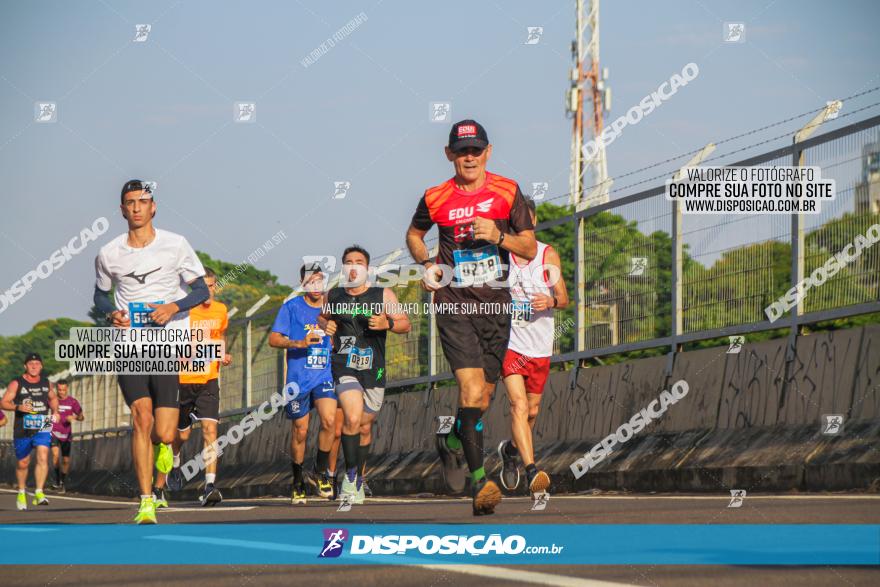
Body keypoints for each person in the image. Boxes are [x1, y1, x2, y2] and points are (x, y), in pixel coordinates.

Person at [405, 119, 536, 515]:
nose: (469, 157)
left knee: (486, 396)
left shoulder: (506, 191)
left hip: (496, 305)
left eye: (476, 150)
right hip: (453, 302)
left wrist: (497, 237)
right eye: (462, 151)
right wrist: (427, 263)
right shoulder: (434, 196)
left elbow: (528, 248)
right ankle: (480, 485)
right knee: (472, 392)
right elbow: (413, 234)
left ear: (488, 152)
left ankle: (453, 440)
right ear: (449, 155)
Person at [93, 179, 209, 524]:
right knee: (141, 418)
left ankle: (165, 454)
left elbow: (201, 290)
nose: (136, 208)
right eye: (130, 202)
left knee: (166, 432)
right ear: (122, 209)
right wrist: (110, 312)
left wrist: (174, 307)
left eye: (142, 201)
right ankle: (145, 499)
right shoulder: (108, 253)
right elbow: (100, 295)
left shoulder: (176, 245)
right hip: (130, 346)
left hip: (167, 344)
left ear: (153, 206)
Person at [322, 245, 411, 504]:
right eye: (348, 262)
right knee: (351, 416)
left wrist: (388, 323)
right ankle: (350, 477)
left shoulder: (383, 294)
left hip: (374, 368)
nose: (353, 266)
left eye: (358, 262)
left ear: (367, 269)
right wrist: (325, 324)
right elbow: (322, 317)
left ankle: (360, 476)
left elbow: (406, 324)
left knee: (363, 426)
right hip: (344, 363)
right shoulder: (334, 295)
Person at [497, 196, 568, 498]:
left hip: (539, 347)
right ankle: (531, 470)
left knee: (532, 411)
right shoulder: (501, 257)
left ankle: (510, 451)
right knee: (518, 405)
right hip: (510, 344)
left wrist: (550, 301)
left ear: (533, 222)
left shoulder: (547, 255)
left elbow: (563, 298)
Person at [157, 268, 231, 507]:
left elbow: (220, 335)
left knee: (210, 430)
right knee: (182, 435)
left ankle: (210, 485)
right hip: (182, 381)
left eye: (212, 286)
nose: (209, 291)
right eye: (204, 286)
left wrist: (222, 354)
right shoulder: (183, 313)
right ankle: (176, 462)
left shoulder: (221, 310)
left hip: (208, 380)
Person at [268, 263, 337, 505]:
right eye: (311, 281)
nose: (316, 286)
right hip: (298, 379)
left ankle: (320, 473)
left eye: (320, 280)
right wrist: (300, 343)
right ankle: (297, 480)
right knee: (301, 430)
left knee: (329, 421)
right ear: (303, 283)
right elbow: (274, 339)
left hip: (324, 375)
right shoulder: (291, 308)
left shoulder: (331, 308)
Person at [0, 353, 60, 510]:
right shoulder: (17, 383)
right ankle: (21, 491)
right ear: (25, 366)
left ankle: (39, 492)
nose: (34, 366)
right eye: (31, 363)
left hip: (43, 423)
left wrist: (55, 411)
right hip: (23, 427)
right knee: (23, 462)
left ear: (41, 366)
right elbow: (3, 402)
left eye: (37, 363)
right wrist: (17, 407)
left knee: (43, 455)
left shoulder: (47, 383)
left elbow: (53, 398)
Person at [50, 379, 84, 493]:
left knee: (65, 460)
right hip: (53, 431)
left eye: (64, 390)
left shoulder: (72, 402)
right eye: (59, 390)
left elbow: (81, 417)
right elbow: (43, 412)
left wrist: (74, 417)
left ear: (67, 389)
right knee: (55, 455)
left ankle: (63, 483)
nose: (61, 392)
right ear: (56, 389)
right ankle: (57, 480)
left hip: (66, 434)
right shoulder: (52, 400)